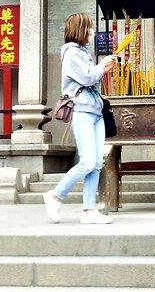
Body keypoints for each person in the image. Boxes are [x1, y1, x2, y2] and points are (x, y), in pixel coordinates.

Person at [43, 13, 118, 224]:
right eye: (90, 28)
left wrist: (102, 68)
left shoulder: (83, 53)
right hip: (83, 111)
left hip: (95, 111)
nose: (92, 32)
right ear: (81, 30)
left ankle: (88, 209)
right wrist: (102, 65)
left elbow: (91, 79)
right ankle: (55, 195)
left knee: (96, 162)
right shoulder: (71, 53)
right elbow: (86, 77)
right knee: (87, 162)